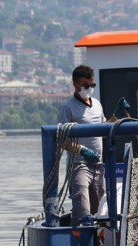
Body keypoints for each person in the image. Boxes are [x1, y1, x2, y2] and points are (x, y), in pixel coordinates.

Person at [57, 64, 129, 226]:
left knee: (100, 212)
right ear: (75, 84)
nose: (89, 88)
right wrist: (82, 150)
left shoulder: (96, 104)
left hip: (98, 165)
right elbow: (61, 140)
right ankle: (80, 243)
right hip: (79, 165)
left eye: (92, 85)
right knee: (83, 210)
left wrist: (116, 115)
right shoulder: (67, 108)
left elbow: (104, 129)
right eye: (86, 85)